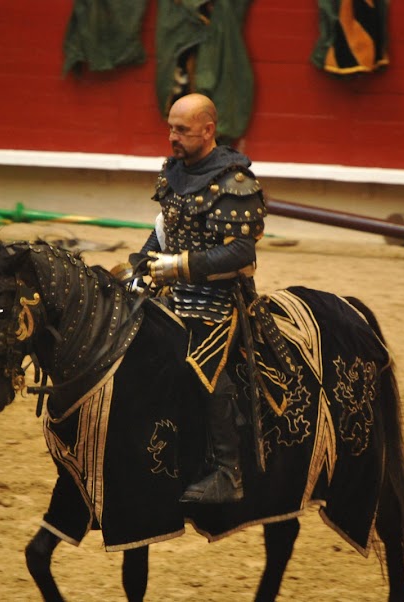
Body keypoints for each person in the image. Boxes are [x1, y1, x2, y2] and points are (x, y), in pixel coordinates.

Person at [131, 93, 266, 504]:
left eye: (182, 130)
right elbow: (165, 227)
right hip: (172, 290)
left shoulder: (234, 182)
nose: (172, 137)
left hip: (219, 297)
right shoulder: (173, 172)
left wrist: (174, 267)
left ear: (208, 131)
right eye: (170, 127)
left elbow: (240, 253)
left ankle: (228, 473)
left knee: (203, 369)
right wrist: (142, 261)